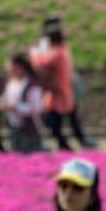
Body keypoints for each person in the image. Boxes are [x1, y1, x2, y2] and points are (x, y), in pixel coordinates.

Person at [30, 21, 78, 152]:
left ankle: (65, 148)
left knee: (54, 125)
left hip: (58, 93)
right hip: (59, 91)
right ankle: (65, 147)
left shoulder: (56, 52)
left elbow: (42, 61)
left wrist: (34, 52)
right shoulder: (62, 49)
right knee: (56, 124)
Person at [0, 52, 46, 153]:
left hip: (29, 128)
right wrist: (2, 102)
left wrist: (15, 107)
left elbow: (36, 108)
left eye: (10, 66)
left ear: (19, 67)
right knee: (16, 156)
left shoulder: (32, 85)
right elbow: (5, 96)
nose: (7, 69)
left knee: (31, 156)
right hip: (15, 126)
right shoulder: (11, 82)